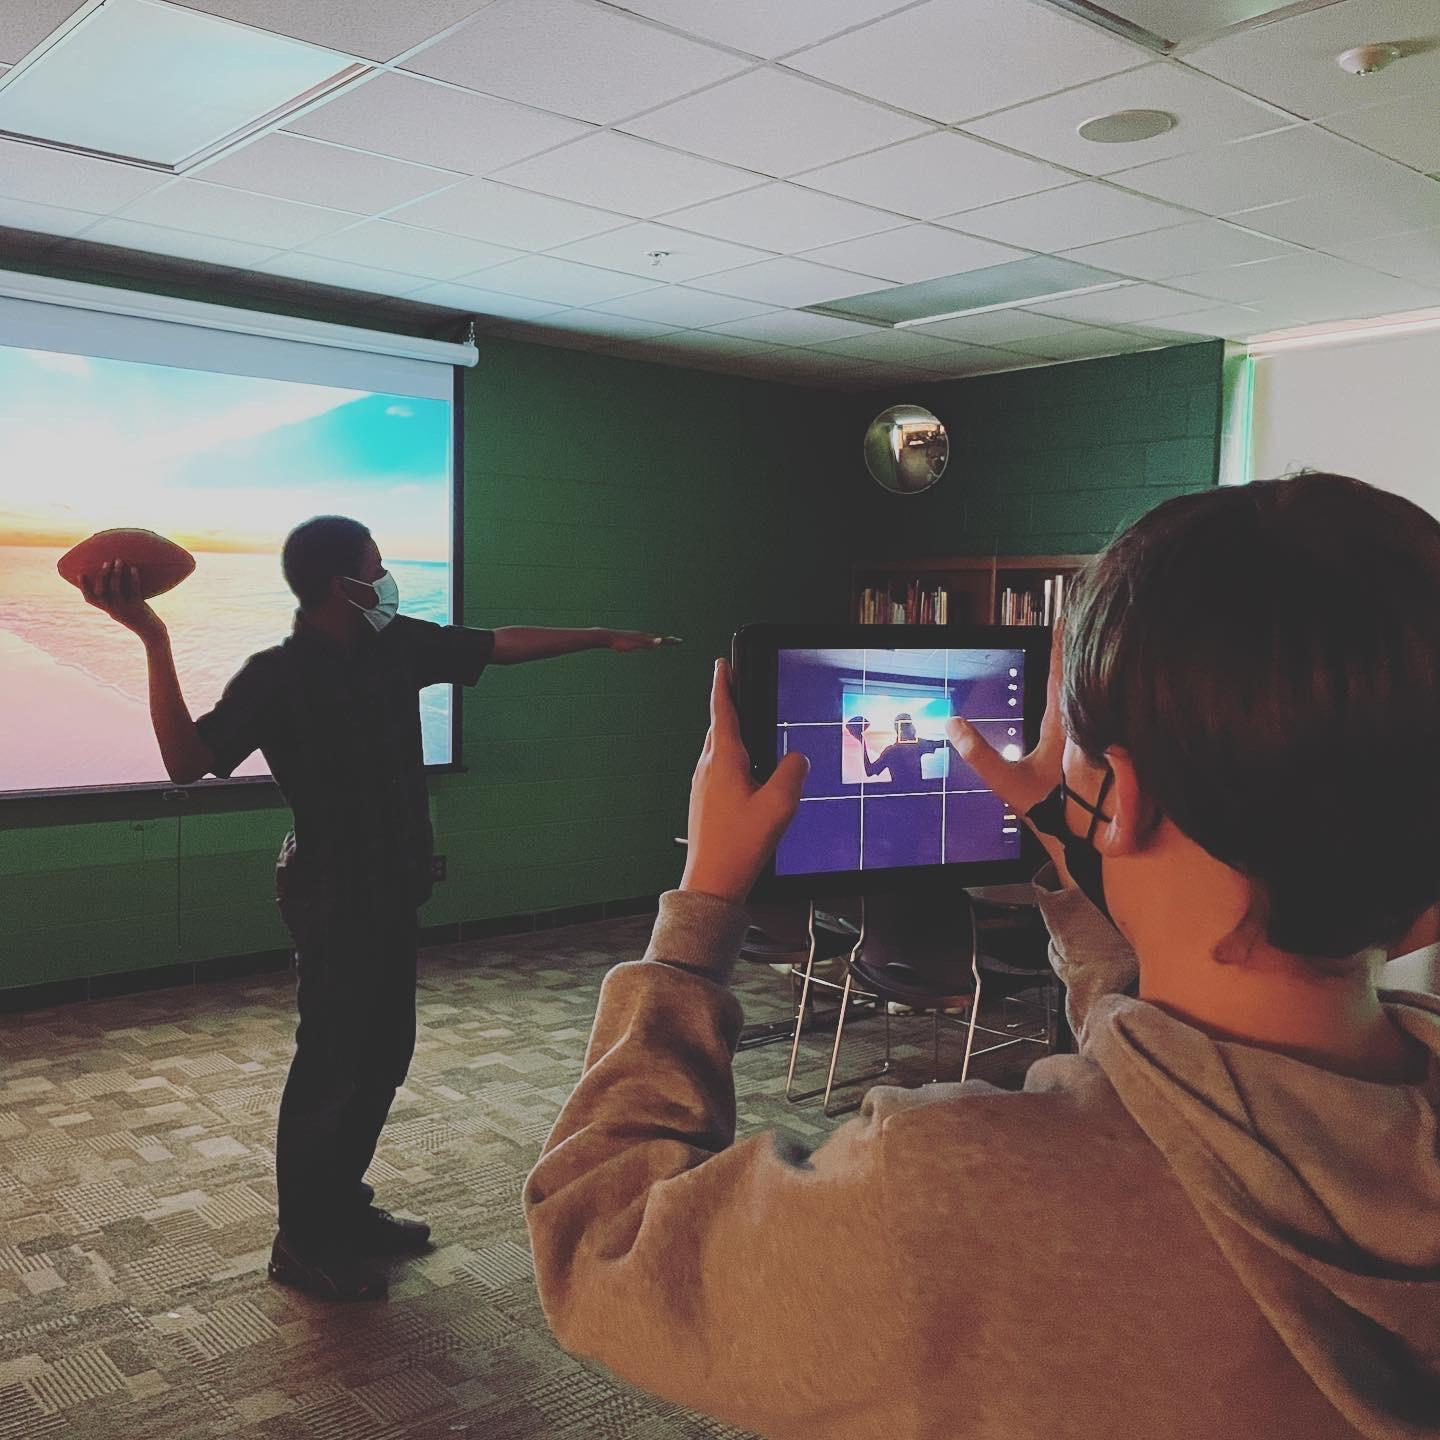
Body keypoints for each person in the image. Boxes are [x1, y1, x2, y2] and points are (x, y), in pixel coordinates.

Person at [524, 474, 1440, 1440]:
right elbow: (1188, 1085)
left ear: (1117, 795)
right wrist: (1076, 844)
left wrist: (701, 907)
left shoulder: (958, 1192)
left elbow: (600, 1249)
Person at [84, 514, 674, 1302]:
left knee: (382, 1056)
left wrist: (601, 636)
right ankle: (301, 1240)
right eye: (378, 566)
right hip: (330, 897)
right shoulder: (277, 676)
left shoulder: (400, 647)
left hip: (394, 888)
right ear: (343, 584)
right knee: (333, 1064)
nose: (388, 577)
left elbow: (500, 641)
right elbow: (188, 762)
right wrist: (152, 639)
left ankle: (341, 1209)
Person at [846, 711, 948, 786]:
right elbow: (942, 743)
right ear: (904, 729)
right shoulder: (917, 745)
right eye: (910, 724)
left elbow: (870, 771)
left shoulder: (891, 751)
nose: (914, 728)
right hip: (915, 798)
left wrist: (862, 741)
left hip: (902, 798)